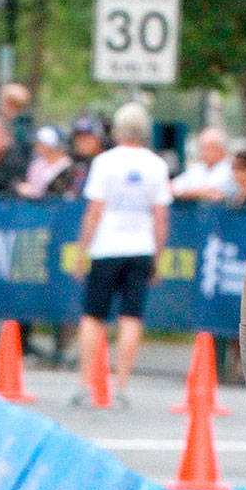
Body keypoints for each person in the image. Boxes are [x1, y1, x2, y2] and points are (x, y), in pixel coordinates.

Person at [70, 101, 171, 407]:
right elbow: (161, 216)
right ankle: (122, 385)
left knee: (93, 315)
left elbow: (94, 210)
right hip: (140, 246)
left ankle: (86, 383)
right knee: (131, 316)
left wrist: (82, 250)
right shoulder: (156, 165)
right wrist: (158, 255)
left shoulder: (105, 162)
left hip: (107, 246)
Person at [171, 127, 234, 202]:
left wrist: (184, 192)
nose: (203, 152)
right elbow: (171, 187)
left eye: (208, 148)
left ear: (221, 149)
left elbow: (212, 191)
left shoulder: (231, 169)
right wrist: (196, 193)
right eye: (202, 148)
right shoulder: (196, 168)